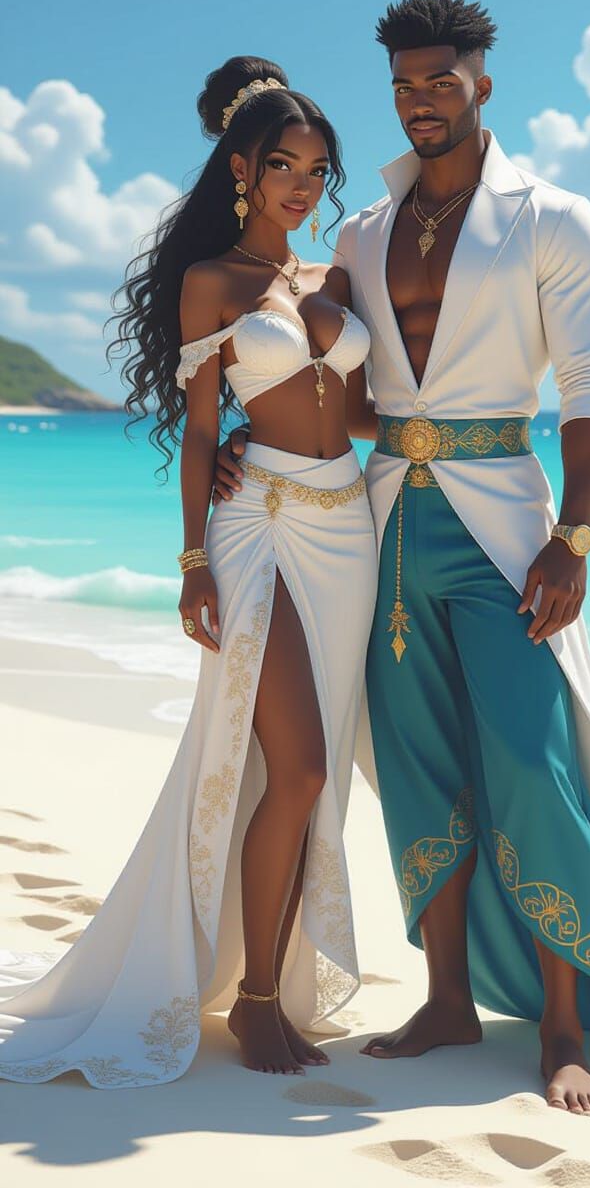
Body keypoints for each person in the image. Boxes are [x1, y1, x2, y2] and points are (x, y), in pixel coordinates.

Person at [214, 0, 590, 1113]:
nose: (421, 103)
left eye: (439, 82)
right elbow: (324, 376)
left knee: (531, 765)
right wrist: (245, 433)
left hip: (507, 526)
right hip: (382, 527)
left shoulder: (554, 216)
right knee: (417, 766)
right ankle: (449, 997)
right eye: (404, 87)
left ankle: (563, 1028)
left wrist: (575, 535)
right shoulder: (364, 232)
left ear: (482, 83)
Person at [0, 57, 378, 1087]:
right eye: (282, 164)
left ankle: (276, 988)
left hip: (350, 536)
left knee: (310, 781)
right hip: (258, 534)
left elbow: (362, 418)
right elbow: (206, 429)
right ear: (242, 171)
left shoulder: (332, 282)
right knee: (294, 767)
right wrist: (193, 565)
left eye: (316, 167)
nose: (302, 183)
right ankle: (257, 1003)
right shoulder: (213, 282)